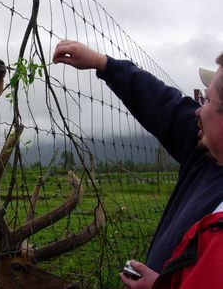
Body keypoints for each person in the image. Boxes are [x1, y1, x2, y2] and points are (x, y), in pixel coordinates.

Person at [52, 40, 223, 289]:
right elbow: (164, 104)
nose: (197, 111)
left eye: (206, 101)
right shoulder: (206, 154)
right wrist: (105, 64)